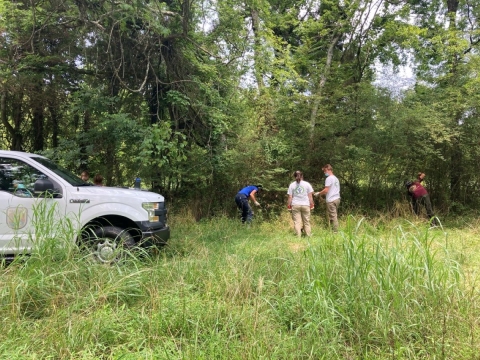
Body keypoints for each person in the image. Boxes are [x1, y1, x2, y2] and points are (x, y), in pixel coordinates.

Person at [287, 170, 314, 237]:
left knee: (297, 222)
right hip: (305, 205)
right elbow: (310, 196)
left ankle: (298, 236)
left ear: (294, 176)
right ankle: (308, 235)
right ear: (302, 176)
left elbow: (290, 197)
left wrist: (289, 206)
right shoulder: (307, 184)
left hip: (295, 205)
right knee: (306, 221)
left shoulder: (291, 185)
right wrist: (312, 204)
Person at [315, 164, 341, 232]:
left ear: (329, 169)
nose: (324, 172)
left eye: (325, 171)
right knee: (334, 215)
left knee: (333, 217)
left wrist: (319, 193)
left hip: (331, 200)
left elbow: (326, 190)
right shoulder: (336, 178)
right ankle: (333, 230)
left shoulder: (329, 178)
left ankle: (335, 232)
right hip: (337, 199)